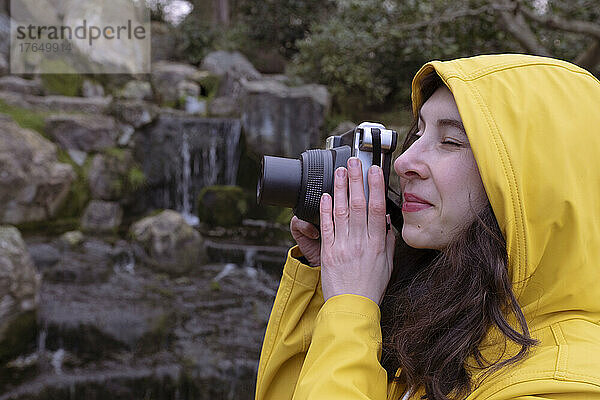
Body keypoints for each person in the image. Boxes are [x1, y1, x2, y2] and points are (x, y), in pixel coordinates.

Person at [254, 54, 600, 400]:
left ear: (535, 182)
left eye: (449, 141)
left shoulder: (567, 384)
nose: (404, 162)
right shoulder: (449, 327)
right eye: (417, 133)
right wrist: (327, 281)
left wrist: (349, 307)